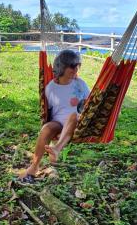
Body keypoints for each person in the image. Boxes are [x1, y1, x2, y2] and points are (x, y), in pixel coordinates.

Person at [21, 49, 90, 183]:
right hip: (58, 122)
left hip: (76, 122)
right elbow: (50, 110)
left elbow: (91, 103)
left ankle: (56, 149)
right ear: (62, 66)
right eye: (72, 65)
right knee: (46, 128)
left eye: (77, 65)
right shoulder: (51, 87)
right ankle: (34, 167)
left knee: (72, 116)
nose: (76, 68)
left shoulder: (80, 84)